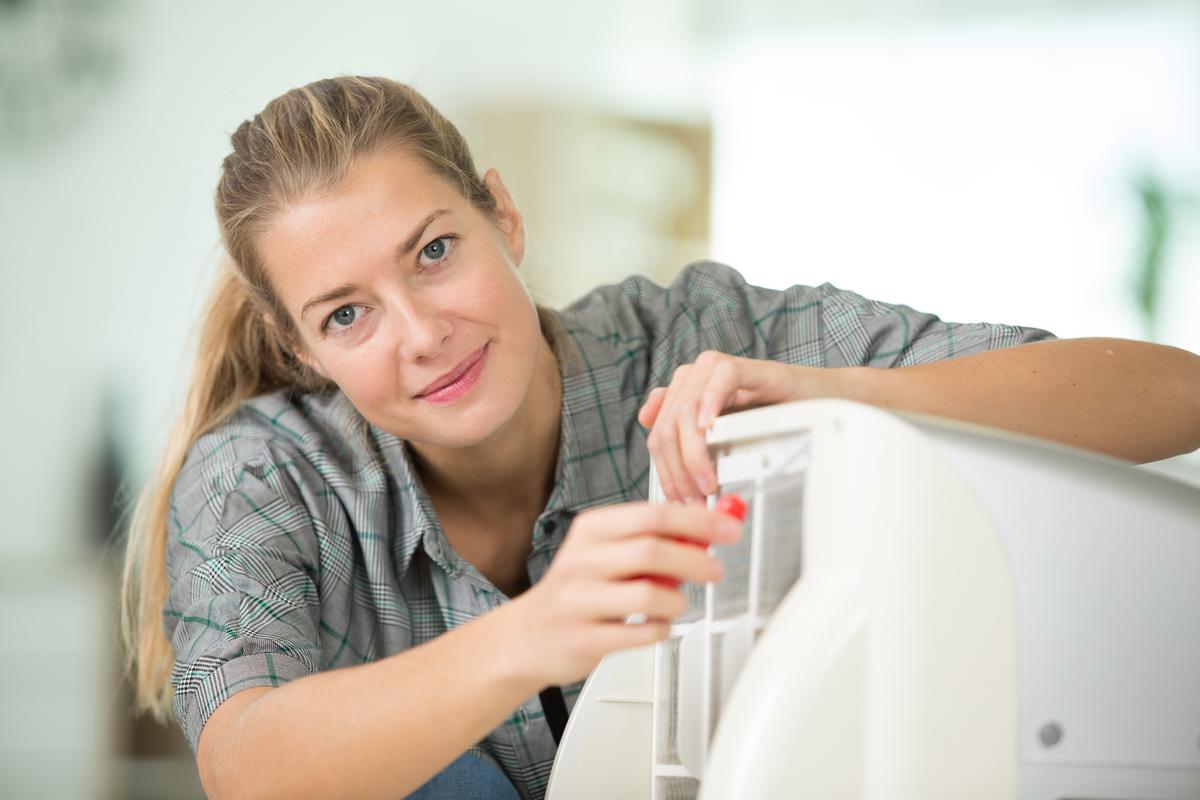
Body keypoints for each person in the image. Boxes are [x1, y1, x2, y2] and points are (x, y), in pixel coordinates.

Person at [119, 75, 1200, 800]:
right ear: (299, 346)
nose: (420, 334)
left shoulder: (699, 336)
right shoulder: (260, 469)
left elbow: (1170, 395)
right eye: (345, 314)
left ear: (504, 215)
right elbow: (245, 762)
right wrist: (536, 631)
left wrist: (834, 396)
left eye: (436, 250)